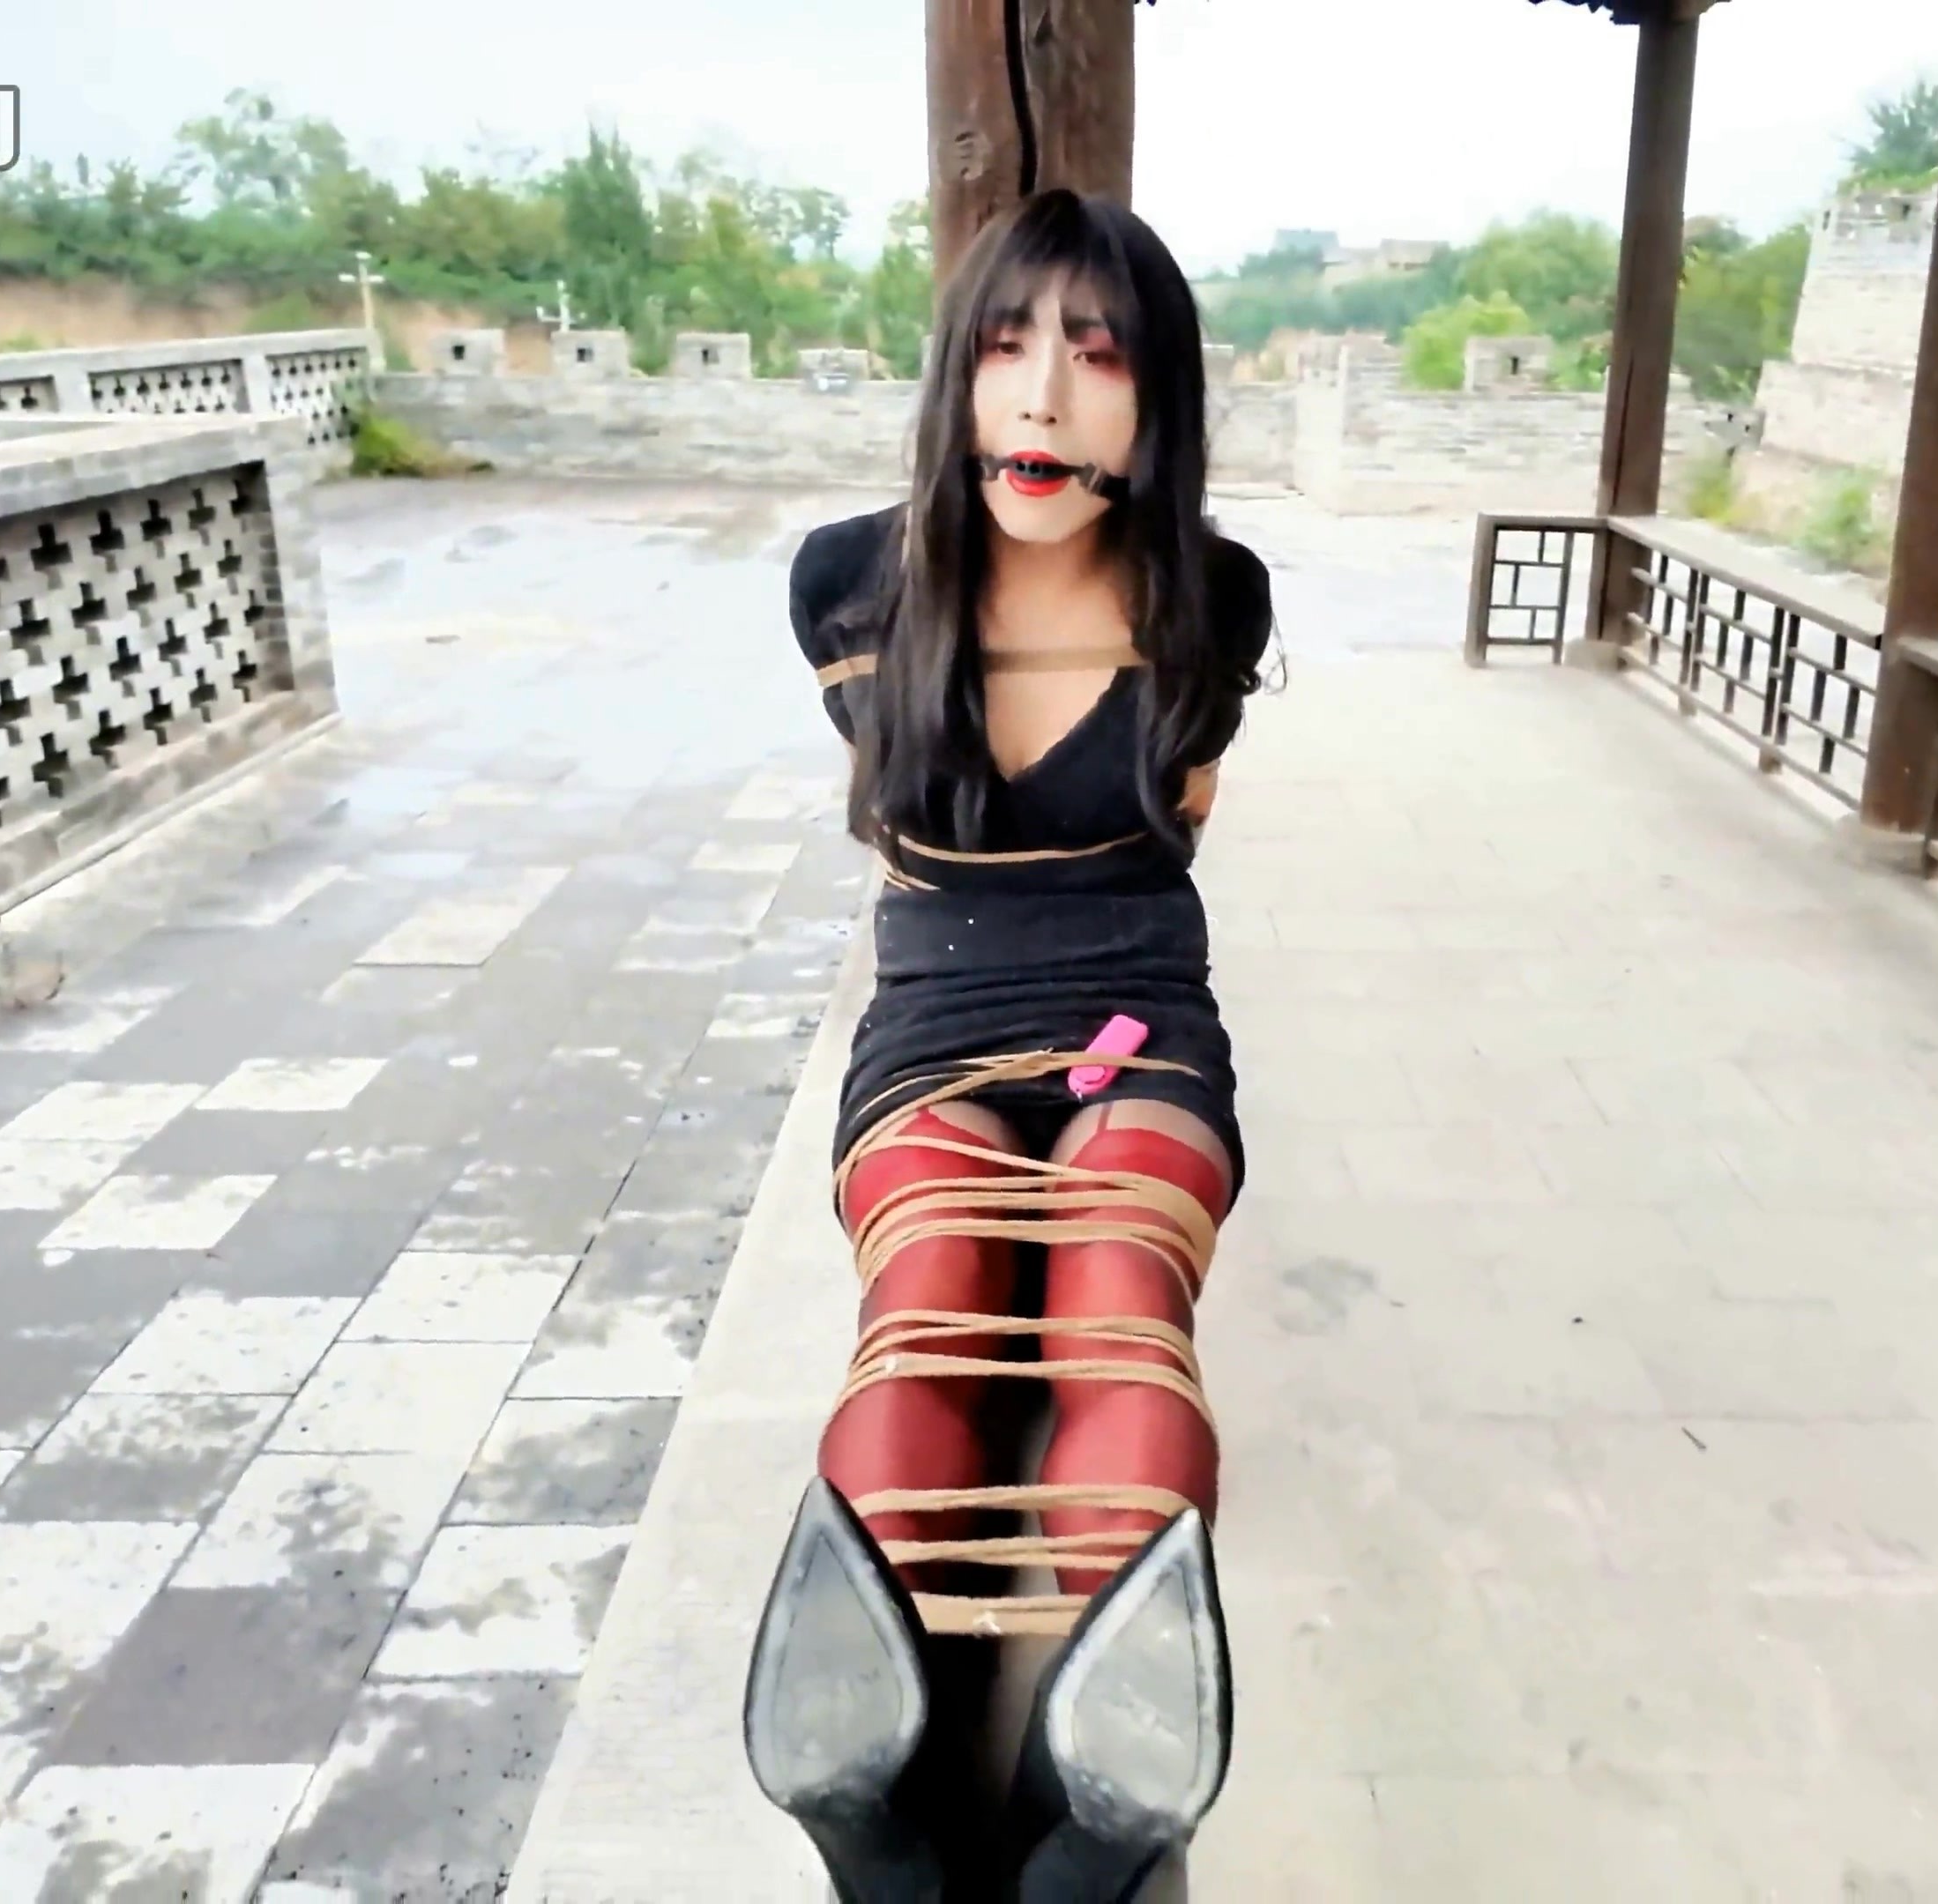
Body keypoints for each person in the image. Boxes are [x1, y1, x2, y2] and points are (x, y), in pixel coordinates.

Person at [741, 188, 1274, 1904]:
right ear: (954, 375)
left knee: (1119, 1286)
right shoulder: (847, 586)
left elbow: (1164, 848)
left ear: (1157, 401)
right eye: (1004, 346)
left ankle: (1095, 1801)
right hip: (940, 1016)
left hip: (1139, 1009)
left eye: (1099, 357)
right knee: (937, 1291)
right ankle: (872, 1803)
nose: (1042, 395)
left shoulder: (1212, 599)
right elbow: (931, 831)